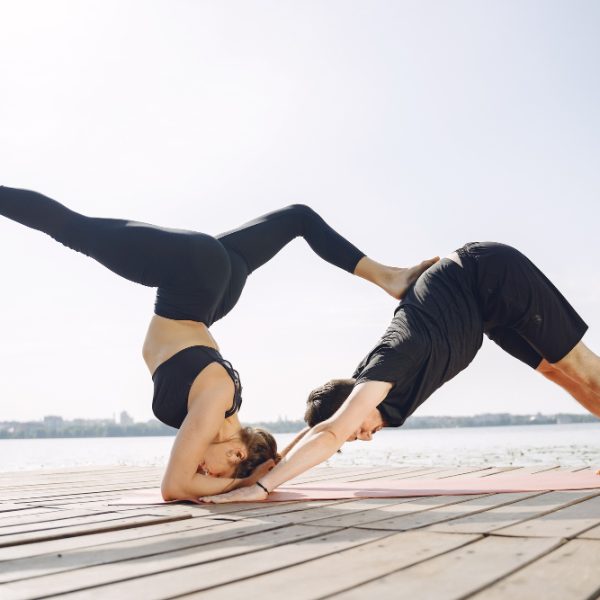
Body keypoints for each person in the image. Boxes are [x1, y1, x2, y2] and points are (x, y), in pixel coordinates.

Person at [0, 185, 436, 501]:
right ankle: (388, 277)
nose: (206, 471)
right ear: (237, 450)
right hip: (193, 277)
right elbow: (175, 487)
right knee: (73, 229)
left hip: (214, 289)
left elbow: (197, 476)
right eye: (220, 468)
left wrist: (265, 472)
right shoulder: (215, 404)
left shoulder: (218, 406)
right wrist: (244, 483)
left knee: (298, 217)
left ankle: (387, 276)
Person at [201, 242, 600, 503]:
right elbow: (324, 427)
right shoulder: (364, 388)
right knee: (555, 371)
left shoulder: (387, 365)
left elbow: (333, 430)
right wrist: (274, 462)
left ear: (355, 404)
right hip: (482, 308)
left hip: (488, 275)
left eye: (356, 430)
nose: (364, 436)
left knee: (578, 367)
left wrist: (259, 489)